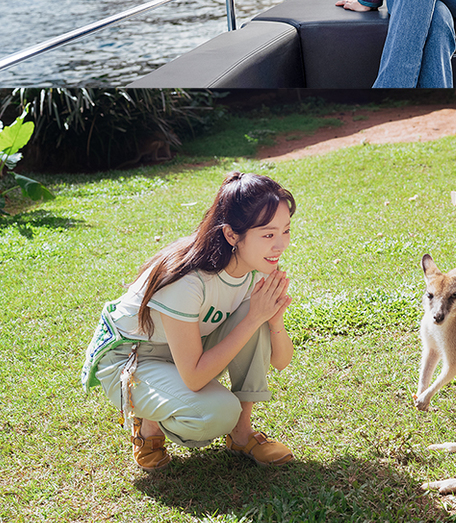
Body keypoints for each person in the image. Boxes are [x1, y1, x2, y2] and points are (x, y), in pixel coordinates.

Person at [81, 171, 296, 471]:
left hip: (181, 348)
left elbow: (282, 361)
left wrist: (273, 320)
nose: (281, 245)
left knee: (253, 317)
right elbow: (195, 377)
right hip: (130, 357)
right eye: (268, 234)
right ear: (232, 235)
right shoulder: (189, 279)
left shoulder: (257, 267)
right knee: (217, 413)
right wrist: (253, 318)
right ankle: (149, 425)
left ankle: (242, 433)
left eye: (285, 230)